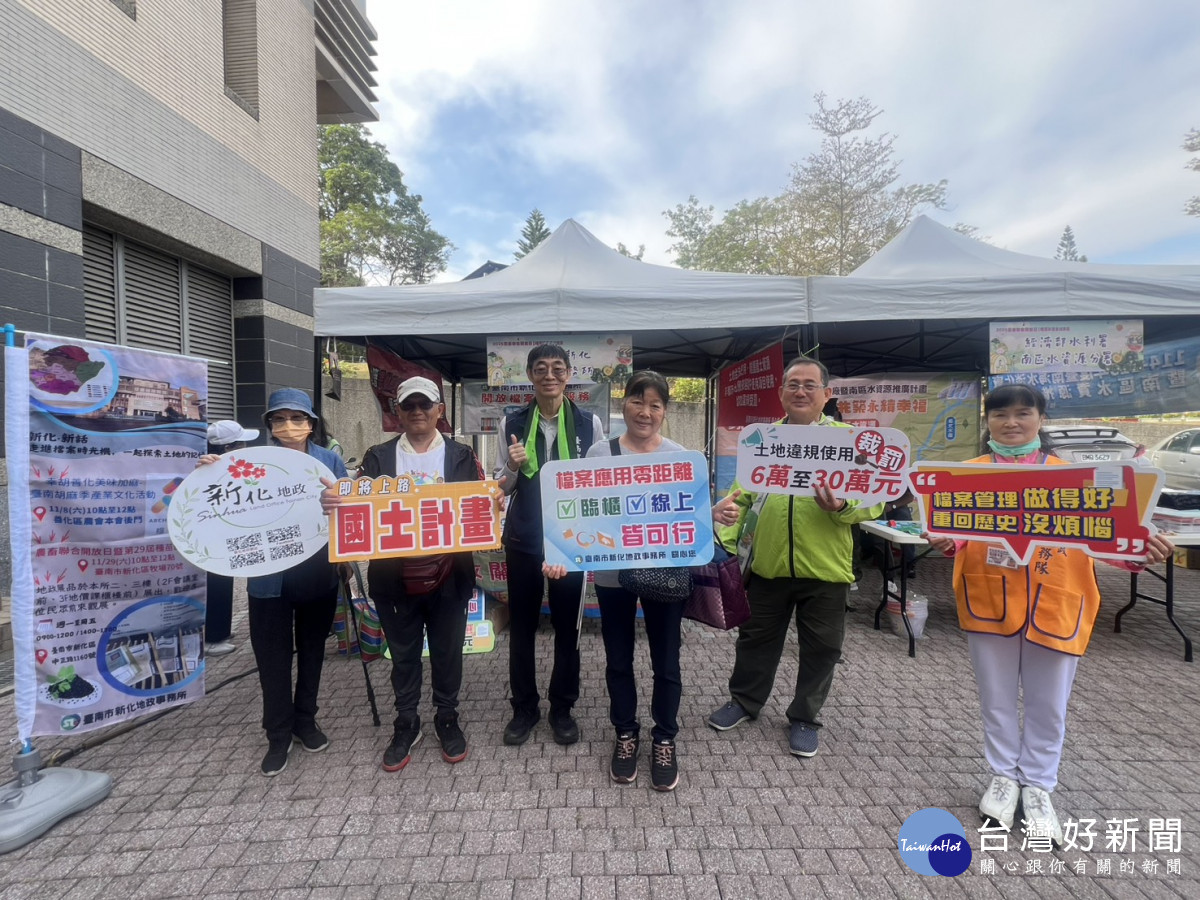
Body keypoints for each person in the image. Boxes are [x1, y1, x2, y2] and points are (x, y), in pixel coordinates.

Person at [924, 384, 1173, 843]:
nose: (1011, 423)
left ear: (1041, 419)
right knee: (996, 698)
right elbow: (955, 531)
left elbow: (1109, 536)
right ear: (987, 421)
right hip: (988, 599)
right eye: (1000, 414)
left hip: (1058, 600)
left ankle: (1038, 786)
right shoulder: (966, 475)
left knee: (1049, 703)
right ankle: (1003, 777)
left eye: (1023, 413)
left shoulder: (1078, 477)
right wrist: (945, 539)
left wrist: (1141, 550)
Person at [708, 356, 884, 757]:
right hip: (767, 565)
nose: (800, 391)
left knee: (822, 648)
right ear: (781, 392)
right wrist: (730, 534)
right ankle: (744, 701)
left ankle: (805, 716)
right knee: (755, 639)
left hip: (825, 569)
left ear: (827, 394)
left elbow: (873, 501)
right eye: (793, 384)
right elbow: (742, 494)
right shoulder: (763, 439)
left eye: (809, 385)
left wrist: (842, 506)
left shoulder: (849, 442)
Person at [323, 376, 484, 773]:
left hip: (450, 576)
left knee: (447, 653)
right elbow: (355, 502)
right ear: (397, 412)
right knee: (404, 656)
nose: (417, 412)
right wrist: (335, 501)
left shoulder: (462, 456)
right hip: (394, 579)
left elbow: (479, 505)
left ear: (439, 411)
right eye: (408, 405)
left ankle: (447, 716)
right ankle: (406, 721)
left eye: (424, 404)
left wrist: (493, 499)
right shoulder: (378, 457)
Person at [543, 371, 686, 790]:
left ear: (664, 411)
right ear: (624, 404)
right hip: (611, 573)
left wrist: (713, 514)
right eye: (638, 401)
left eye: (655, 404)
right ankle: (626, 733)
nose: (645, 412)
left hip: (665, 571)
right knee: (618, 659)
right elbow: (576, 512)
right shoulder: (599, 453)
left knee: (666, 661)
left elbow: (687, 511)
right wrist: (561, 556)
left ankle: (665, 737)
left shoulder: (679, 456)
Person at [494, 344, 604, 746]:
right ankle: (524, 708)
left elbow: (599, 481)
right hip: (524, 537)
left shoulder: (588, 423)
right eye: (540, 368)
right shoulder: (511, 422)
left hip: (570, 540)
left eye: (558, 368)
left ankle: (562, 708)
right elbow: (501, 487)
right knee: (522, 627)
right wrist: (512, 465)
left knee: (567, 627)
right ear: (529, 375)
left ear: (569, 374)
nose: (549, 375)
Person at [246, 388, 348, 776]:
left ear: (311, 423)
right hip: (267, 578)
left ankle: (306, 720)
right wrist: (208, 470)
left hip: (317, 572)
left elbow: (349, 509)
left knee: (312, 651)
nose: (288, 425)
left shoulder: (329, 460)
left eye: (297, 418)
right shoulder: (250, 461)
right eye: (279, 418)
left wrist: (345, 553)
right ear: (269, 424)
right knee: (271, 658)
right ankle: (277, 733)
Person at [200, 419, 259, 657]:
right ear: (227, 448)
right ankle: (212, 638)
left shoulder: (229, 467)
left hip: (223, 536)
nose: (245, 447)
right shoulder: (206, 468)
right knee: (214, 585)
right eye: (241, 443)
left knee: (223, 582)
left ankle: (220, 629)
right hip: (209, 539)